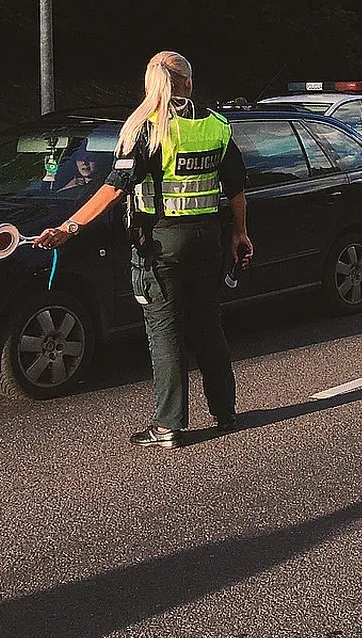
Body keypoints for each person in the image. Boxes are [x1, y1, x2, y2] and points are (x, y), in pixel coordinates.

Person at [37, 51, 252, 448]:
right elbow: (236, 188)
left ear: (150, 86)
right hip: (207, 238)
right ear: (188, 83)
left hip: (160, 241)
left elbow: (114, 188)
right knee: (207, 326)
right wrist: (240, 233)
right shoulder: (218, 126)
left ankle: (169, 426)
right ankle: (225, 413)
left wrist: (69, 228)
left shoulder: (145, 129)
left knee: (165, 334)